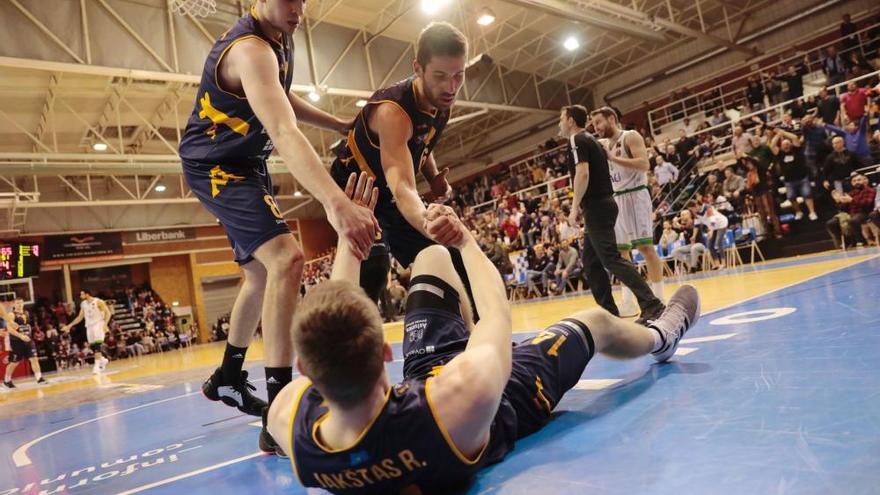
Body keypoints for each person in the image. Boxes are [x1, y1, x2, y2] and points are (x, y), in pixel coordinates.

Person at [266, 175, 701, 494]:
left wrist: (348, 239)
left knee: (431, 258)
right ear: (384, 353)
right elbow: (496, 309)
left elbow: (329, 322)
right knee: (596, 322)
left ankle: (467, 326)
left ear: (305, 371)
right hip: (500, 395)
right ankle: (663, 335)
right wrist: (465, 241)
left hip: (425, 381)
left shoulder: (291, 425)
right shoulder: (462, 396)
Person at [176, 0, 378, 454]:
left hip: (242, 161)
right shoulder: (251, 49)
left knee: (261, 272)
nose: (298, 7)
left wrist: (339, 122)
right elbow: (283, 131)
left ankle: (229, 375)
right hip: (218, 166)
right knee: (287, 258)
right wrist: (336, 202)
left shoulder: (277, 38)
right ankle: (277, 412)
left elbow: (278, 95)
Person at [329, 22, 477, 317]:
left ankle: (475, 336)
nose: (451, 87)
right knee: (373, 269)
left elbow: (421, 145)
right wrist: (427, 220)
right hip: (355, 191)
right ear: (418, 68)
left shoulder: (441, 100)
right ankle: (346, 348)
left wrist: (433, 177)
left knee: (452, 253)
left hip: (387, 190)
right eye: (440, 76)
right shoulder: (393, 112)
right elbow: (402, 187)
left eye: (458, 75)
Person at [560, 105, 664, 323]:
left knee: (614, 257)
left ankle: (652, 302)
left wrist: (574, 206)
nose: (559, 124)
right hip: (608, 201)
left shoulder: (577, 140)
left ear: (570, 121)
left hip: (607, 203)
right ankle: (611, 314)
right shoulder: (596, 142)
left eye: (561, 119)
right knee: (591, 261)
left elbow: (583, 173)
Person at [591, 107, 666, 315]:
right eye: (593, 124)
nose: (596, 128)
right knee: (621, 253)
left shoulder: (630, 136)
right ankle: (628, 300)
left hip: (636, 195)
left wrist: (613, 159)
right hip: (616, 199)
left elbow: (644, 164)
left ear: (612, 118)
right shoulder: (604, 144)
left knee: (645, 248)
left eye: (599, 122)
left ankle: (659, 297)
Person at [769, 128, 819, 221]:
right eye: (784, 145)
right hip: (789, 181)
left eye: (787, 144)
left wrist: (783, 132)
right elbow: (772, 145)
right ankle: (798, 212)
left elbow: (795, 137)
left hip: (802, 178)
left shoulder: (797, 150)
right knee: (791, 197)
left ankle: (812, 212)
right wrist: (778, 135)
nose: (786, 146)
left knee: (807, 194)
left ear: (791, 144)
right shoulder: (780, 154)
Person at [61, 290, 111, 374]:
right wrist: (69, 326)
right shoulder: (83, 304)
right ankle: (102, 359)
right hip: (89, 326)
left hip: (98, 324)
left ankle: (96, 366)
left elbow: (108, 313)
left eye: (82, 294)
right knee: (92, 345)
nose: (80, 296)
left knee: (97, 345)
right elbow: (80, 317)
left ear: (87, 294)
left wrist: (105, 324)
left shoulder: (98, 301)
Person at [2, 300, 47, 388]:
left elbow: (26, 325)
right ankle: (7, 381)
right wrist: (20, 336)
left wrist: (29, 332)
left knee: (34, 358)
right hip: (17, 341)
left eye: (21, 302)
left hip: (28, 340)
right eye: (17, 303)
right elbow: (10, 329)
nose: (19, 304)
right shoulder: (11, 314)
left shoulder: (26, 313)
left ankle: (39, 378)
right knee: (14, 362)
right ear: (14, 304)